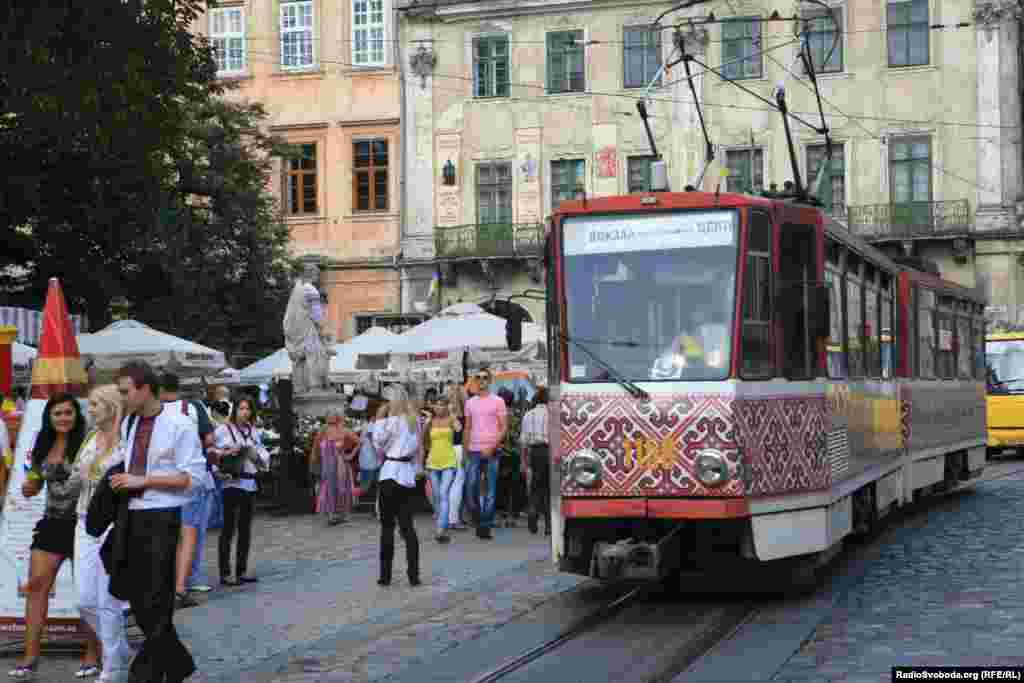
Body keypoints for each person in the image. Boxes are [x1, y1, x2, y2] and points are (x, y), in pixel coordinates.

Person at [112, 361, 206, 683]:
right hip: (130, 514)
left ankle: (145, 673)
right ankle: (178, 665)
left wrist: (146, 481)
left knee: (156, 598)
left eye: (126, 391)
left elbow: (194, 478)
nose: (122, 397)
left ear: (145, 389)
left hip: (162, 516)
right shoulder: (129, 423)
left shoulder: (180, 424)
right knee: (137, 599)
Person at [8, 393, 97, 680]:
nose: (63, 418)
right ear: (49, 417)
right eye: (57, 413)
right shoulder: (42, 442)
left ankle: (92, 655)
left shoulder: (88, 441)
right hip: (52, 523)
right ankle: (30, 657)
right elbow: (34, 479)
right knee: (36, 588)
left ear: (76, 415)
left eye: (68, 413)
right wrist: (30, 488)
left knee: (87, 593)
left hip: (83, 523)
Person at [69, 385, 135, 683]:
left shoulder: (127, 441)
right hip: (84, 520)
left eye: (95, 404)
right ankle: (120, 651)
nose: (90, 409)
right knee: (84, 600)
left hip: (113, 524)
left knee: (107, 600)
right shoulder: (90, 438)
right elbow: (76, 477)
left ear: (111, 406)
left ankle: (113, 668)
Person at [160, 373, 217, 609]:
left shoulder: (151, 412)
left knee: (165, 533)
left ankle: (165, 583)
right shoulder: (193, 407)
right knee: (189, 532)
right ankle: (182, 585)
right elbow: (209, 439)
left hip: (159, 480)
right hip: (190, 478)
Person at [211, 397, 269, 585]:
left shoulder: (252, 431)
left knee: (245, 529)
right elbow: (212, 453)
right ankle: (225, 572)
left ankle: (241, 570)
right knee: (228, 529)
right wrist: (225, 457)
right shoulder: (223, 430)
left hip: (249, 483)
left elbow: (262, 454)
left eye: (248, 409)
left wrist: (255, 455)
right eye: (241, 408)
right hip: (231, 483)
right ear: (235, 410)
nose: (244, 412)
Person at [371, 386, 422, 587]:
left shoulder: (390, 421)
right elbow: (417, 447)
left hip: (390, 474)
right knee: (408, 527)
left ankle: (385, 576)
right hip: (407, 475)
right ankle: (414, 575)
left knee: (387, 527)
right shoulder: (414, 420)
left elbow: (377, 444)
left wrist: (379, 418)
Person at [463, 369, 507, 540]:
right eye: (478, 377)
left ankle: (485, 524)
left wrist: (492, 447)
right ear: (475, 380)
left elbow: (503, 428)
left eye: (485, 377)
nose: (481, 380)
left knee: (490, 490)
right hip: (473, 450)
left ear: (490, 380)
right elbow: (467, 427)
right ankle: (478, 518)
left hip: (492, 450)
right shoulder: (470, 403)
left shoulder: (498, 401)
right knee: (470, 487)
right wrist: (465, 451)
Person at [314, 409, 358, 526]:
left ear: (337, 418)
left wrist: (350, 455)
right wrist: (315, 461)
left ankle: (342, 514)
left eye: (332, 416)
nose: (330, 419)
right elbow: (316, 447)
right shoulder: (323, 430)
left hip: (340, 464)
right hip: (327, 465)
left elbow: (359, 442)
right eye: (328, 416)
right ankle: (331, 514)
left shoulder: (343, 430)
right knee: (328, 488)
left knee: (341, 487)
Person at [424, 401, 459, 544]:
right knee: (437, 495)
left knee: (444, 494)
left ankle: (440, 529)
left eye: (442, 405)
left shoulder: (450, 419)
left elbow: (459, 428)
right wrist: (426, 424)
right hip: (433, 461)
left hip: (449, 461)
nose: (439, 407)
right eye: (437, 405)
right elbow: (423, 440)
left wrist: (452, 415)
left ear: (446, 407)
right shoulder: (430, 421)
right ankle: (442, 524)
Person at [519, 387, 551, 536]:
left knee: (535, 486)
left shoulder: (528, 415)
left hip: (535, 452)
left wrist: (523, 461)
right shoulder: (553, 414)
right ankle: (549, 525)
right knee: (550, 488)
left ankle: (533, 511)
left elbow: (523, 441)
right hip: (550, 451)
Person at [446, 385, 468, 531]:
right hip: (459, 449)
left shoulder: (445, 414)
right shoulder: (464, 416)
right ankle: (453, 519)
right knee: (457, 485)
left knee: (447, 485)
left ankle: (448, 516)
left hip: (445, 449)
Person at [357, 404, 385, 518]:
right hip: (371, 460)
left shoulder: (367, 425)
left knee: (377, 485)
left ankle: (378, 509)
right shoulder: (371, 425)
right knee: (366, 486)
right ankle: (346, 496)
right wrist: (381, 454)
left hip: (370, 460)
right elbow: (373, 441)